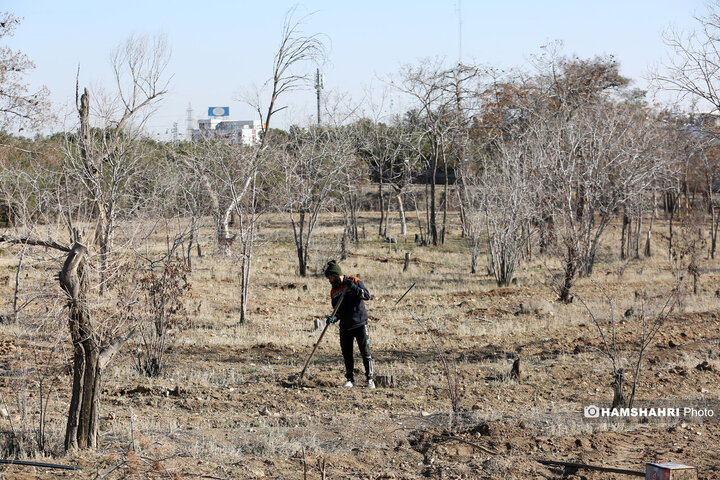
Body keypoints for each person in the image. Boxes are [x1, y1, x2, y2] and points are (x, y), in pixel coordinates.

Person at [323, 260, 374, 388]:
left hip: (360, 324)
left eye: (331, 277)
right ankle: (350, 380)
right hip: (345, 326)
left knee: (365, 353)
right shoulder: (333, 291)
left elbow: (367, 296)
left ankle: (370, 380)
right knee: (347, 354)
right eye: (329, 278)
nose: (330, 280)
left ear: (337, 275)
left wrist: (353, 287)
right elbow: (337, 310)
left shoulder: (354, 280)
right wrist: (334, 318)